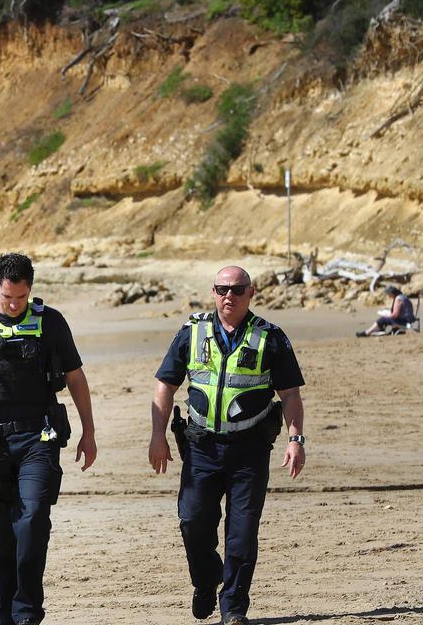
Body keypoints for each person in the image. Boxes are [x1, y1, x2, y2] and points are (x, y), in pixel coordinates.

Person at [0, 252, 97, 625]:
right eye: (8, 296)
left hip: (39, 437)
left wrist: (88, 431)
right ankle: (6, 616)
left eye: (21, 297)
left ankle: (28, 612)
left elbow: (75, 377)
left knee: (32, 518)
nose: (14, 305)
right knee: (2, 533)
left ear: (31, 289)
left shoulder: (50, 322)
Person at [148, 266, 306, 625]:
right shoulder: (193, 331)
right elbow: (165, 386)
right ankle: (205, 581)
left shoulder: (270, 337)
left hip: (249, 450)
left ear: (251, 293)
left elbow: (290, 393)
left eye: (236, 290)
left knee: (242, 533)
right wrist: (157, 435)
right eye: (221, 289)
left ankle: (233, 607)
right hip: (201, 446)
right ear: (213, 292)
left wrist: (295, 438)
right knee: (192, 522)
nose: (228, 296)